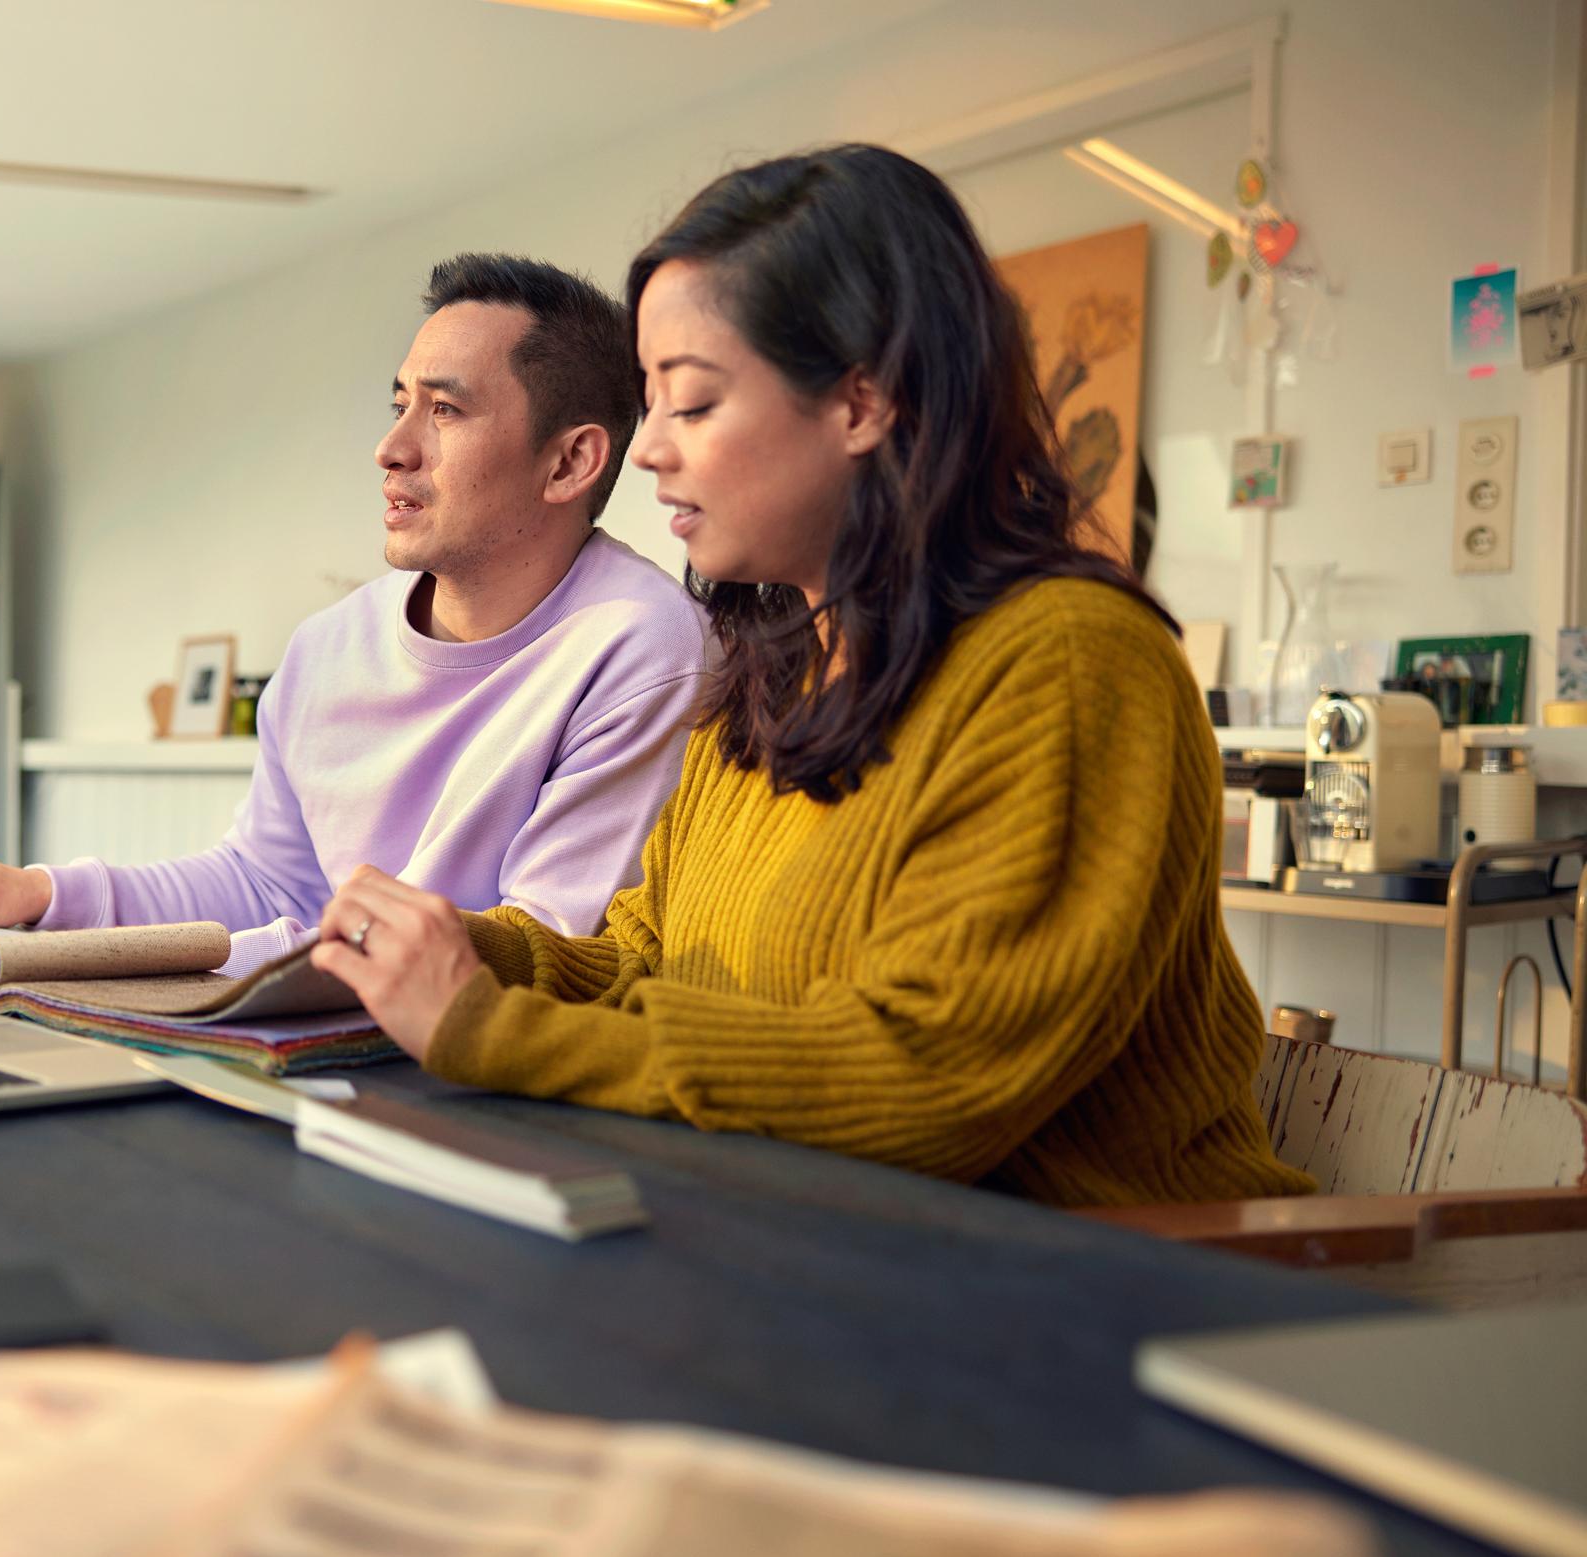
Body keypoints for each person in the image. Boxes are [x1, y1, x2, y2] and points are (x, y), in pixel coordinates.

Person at [307, 147, 1314, 1209]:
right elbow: (651, 962)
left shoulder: (1070, 663)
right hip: (814, 1244)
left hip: (1123, 1295)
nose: (645, 449)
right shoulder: (770, 666)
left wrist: (486, 1024)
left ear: (861, 403)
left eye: (689, 404)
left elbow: (926, 1080)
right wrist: (469, 946)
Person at [0, 254, 712, 972]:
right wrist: (41, 899)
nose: (392, 447)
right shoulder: (328, 648)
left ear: (569, 464)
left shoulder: (645, 645)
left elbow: (544, 946)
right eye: (399, 403)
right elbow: (267, 883)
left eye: (445, 409)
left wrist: (134, 966)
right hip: (306, 1038)